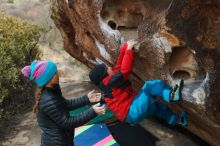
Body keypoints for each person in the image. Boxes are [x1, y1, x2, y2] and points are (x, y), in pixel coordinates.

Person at [89, 40, 187, 126]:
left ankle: (179, 120)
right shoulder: (109, 82)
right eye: (107, 69)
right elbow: (124, 70)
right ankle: (172, 95)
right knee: (150, 86)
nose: (110, 68)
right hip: (132, 110)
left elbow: (118, 66)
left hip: (130, 116)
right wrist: (129, 50)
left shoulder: (109, 83)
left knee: (155, 107)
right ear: (105, 75)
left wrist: (124, 48)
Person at [21, 60, 106, 146]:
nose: (58, 73)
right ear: (48, 78)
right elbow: (68, 123)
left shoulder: (52, 90)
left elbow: (65, 104)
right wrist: (92, 111)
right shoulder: (48, 100)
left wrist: (87, 99)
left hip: (61, 139)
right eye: (54, 73)